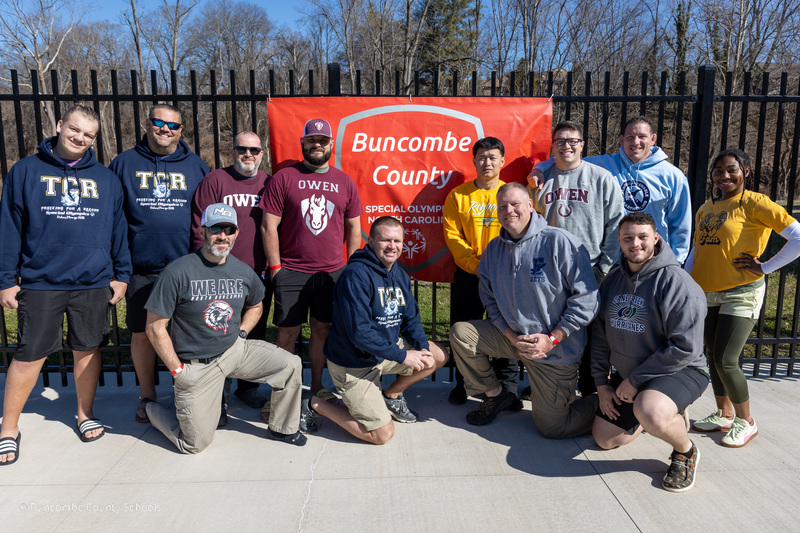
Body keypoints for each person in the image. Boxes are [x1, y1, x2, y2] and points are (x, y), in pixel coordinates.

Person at [0, 105, 132, 465]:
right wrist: (5, 280)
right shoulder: (26, 171)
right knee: (29, 355)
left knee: (88, 351)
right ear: (59, 126)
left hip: (92, 280)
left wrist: (122, 275)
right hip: (41, 280)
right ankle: (8, 428)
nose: (80, 138)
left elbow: (118, 229)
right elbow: (10, 228)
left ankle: (84, 413)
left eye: (89, 135)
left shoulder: (105, 178)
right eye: (74, 130)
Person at [143, 204, 306, 453]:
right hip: (197, 365)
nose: (222, 236)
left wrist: (241, 333)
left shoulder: (242, 271)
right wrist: (178, 371)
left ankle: (282, 428)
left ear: (236, 233)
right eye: (216, 229)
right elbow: (155, 327)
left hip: (234, 351)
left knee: (290, 364)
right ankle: (150, 408)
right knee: (194, 444)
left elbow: (256, 305)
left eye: (228, 229)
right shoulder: (178, 271)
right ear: (202, 232)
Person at [449, 182, 599, 436]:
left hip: (554, 349)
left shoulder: (560, 242)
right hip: (514, 340)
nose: (509, 210)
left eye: (515, 203)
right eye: (503, 206)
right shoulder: (494, 250)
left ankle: (616, 402)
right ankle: (497, 395)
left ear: (530, 205)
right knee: (461, 333)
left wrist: (552, 339)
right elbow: (489, 299)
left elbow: (587, 299)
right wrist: (511, 336)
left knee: (553, 427)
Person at [687, 148, 800, 447]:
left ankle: (745, 421)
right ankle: (724, 413)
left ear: (746, 171)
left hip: (741, 291)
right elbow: (696, 251)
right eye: (718, 170)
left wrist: (765, 266)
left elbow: (798, 237)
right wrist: (686, 282)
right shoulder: (705, 208)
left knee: (726, 359)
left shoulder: (755, 203)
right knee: (712, 355)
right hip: (706, 291)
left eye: (731, 169)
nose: (724, 175)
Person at [300, 216, 448, 444]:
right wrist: (403, 356)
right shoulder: (355, 275)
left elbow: (412, 320)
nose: (392, 246)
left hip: (383, 353)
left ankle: (391, 395)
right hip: (354, 364)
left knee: (436, 356)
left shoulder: (398, 273)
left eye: (397, 241)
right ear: (371, 242)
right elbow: (359, 334)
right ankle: (315, 405)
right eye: (385, 240)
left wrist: (420, 347)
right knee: (382, 435)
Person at [591, 212, 709, 493]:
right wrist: (602, 384)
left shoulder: (676, 282)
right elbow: (599, 336)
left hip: (682, 370)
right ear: (619, 241)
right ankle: (657, 414)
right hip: (637, 377)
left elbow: (686, 347)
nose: (636, 243)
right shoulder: (611, 281)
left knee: (651, 410)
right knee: (604, 439)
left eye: (643, 236)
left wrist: (634, 381)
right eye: (628, 237)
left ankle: (685, 450)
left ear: (655, 238)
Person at [109, 104, 209, 424]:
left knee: (187, 333)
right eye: (159, 122)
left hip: (185, 267)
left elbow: (206, 216)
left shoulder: (196, 166)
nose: (166, 130)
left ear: (181, 130)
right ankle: (147, 395)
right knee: (142, 333)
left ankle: (187, 391)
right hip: (141, 267)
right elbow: (112, 217)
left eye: (173, 126)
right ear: (147, 124)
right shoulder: (123, 163)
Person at [260, 118, 362, 405]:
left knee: (321, 330)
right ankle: (283, 396)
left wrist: (350, 268)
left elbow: (355, 228)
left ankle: (317, 387)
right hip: (291, 271)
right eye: (311, 140)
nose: (317, 145)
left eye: (322, 140)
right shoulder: (284, 177)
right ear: (302, 143)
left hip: (331, 273)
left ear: (331, 144)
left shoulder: (344, 182)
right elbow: (269, 227)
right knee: (286, 335)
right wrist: (277, 268)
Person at [527, 121, 624, 398]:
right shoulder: (541, 180)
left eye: (573, 141)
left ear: (582, 145)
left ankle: (591, 389)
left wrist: (604, 265)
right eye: (560, 141)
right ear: (553, 146)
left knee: (592, 333)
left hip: (590, 266)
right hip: (550, 267)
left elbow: (616, 223)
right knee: (552, 326)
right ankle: (552, 385)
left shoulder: (601, 177)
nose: (567, 146)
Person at [529, 116, 691, 263]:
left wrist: (677, 261)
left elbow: (681, 223)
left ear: (653, 138)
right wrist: (539, 169)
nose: (635, 142)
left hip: (652, 257)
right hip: (615, 259)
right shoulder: (604, 164)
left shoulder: (673, 176)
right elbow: (567, 157)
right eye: (630, 137)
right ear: (621, 140)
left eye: (642, 136)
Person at [191, 131, 271, 414]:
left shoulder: (269, 183)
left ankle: (247, 386)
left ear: (262, 154)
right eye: (241, 149)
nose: (247, 154)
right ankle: (217, 391)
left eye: (254, 150)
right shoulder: (216, 180)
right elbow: (199, 224)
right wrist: (205, 267)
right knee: (218, 330)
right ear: (233, 151)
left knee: (254, 331)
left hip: (257, 271)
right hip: (220, 272)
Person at [442, 137, 522, 409]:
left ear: (502, 161)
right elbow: (453, 238)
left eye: (492, 157)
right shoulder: (458, 195)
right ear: (474, 161)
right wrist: (477, 268)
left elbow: (523, 231)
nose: (487, 162)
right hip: (469, 275)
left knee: (507, 329)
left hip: (506, 274)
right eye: (482, 158)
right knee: (463, 328)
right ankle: (464, 383)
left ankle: (508, 387)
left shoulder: (511, 194)